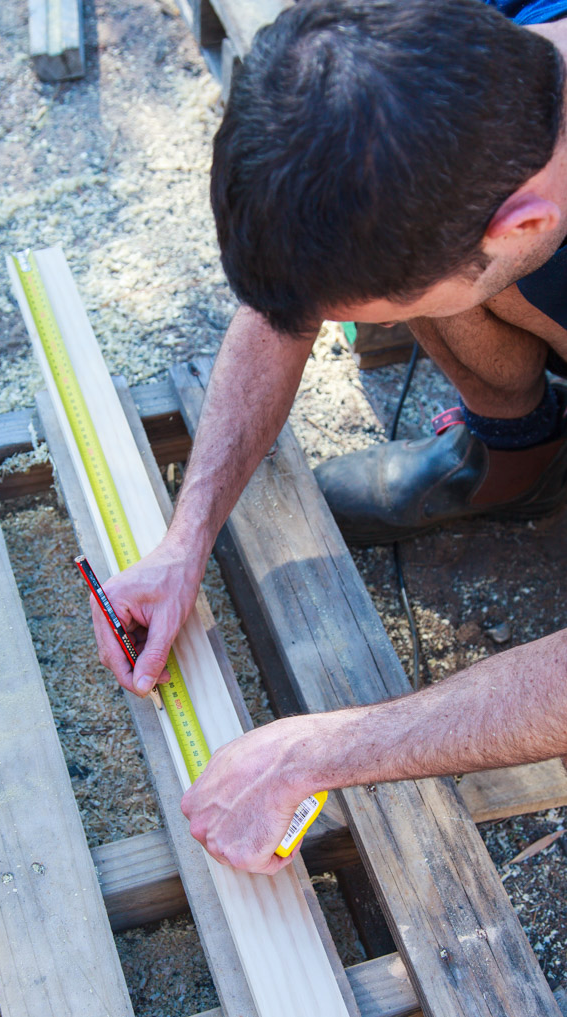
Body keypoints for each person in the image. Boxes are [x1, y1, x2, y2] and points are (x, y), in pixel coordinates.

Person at [92, 0, 567, 875]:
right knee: (433, 279)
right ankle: (521, 457)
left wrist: (321, 750)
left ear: (523, 227)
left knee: (445, 285)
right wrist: (184, 538)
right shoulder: (448, 53)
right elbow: (287, 303)